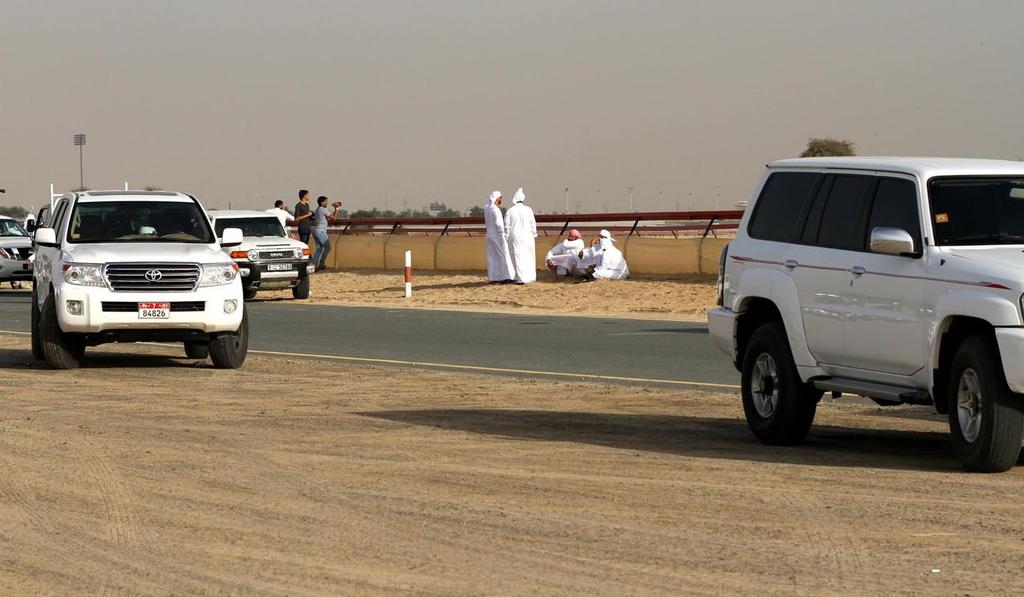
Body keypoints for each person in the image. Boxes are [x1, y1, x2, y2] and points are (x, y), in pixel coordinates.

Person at [505, 187, 537, 284]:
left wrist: (507, 236)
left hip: (516, 237)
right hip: (528, 236)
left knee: (517, 257)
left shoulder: (510, 211)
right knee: (529, 256)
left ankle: (520, 278)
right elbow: (533, 223)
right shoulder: (529, 209)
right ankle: (530, 277)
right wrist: (534, 234)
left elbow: (507, 226)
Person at [484, 191, 514, 283]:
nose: (501, 200)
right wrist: (502, 234)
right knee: (503, 255)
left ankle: (493, 277)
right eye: (500, 198)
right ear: (497, 198)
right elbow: (498, 224)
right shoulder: (495, 209)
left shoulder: (487, 208)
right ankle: (505, 276)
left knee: (492, 256)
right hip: (497, 235)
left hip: (489, 234)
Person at [311, 196, 341, 271]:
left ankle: (314, 266)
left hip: (316, 231)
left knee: (319, 248)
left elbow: (329, 217)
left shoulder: (319, 209)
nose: (327, 203)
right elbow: (334, 219)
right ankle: (321, 264)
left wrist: (334, 209)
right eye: (326, 201)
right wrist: (337, 209)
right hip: (321, 231)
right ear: (322, 202)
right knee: (327, 247)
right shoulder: (323, 209)